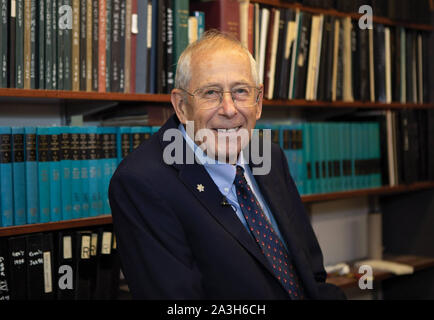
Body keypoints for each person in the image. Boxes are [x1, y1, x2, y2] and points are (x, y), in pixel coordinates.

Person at [109, 30, 346, 300]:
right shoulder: (142, 182)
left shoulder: (269, 157)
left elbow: (311, 275)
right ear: (181, 106)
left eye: (241, 91)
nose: (230, 109)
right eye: (211, 93)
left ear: (258, 102)